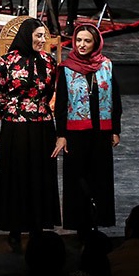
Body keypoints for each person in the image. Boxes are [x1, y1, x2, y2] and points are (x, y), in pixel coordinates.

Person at [0, 18, 59, 246]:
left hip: (42, 125)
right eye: (38, 35)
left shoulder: (49, 61)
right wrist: (13, 112)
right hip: (15, 126)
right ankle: (15, 226)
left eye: (44, 36)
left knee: (39, 175)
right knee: (17, 175)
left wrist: (37, 109)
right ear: (26, 36)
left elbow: (49, 91)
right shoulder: (7, 61)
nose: (42, 40)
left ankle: (38, 224)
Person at [52, 23, 122, 232]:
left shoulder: (106, 66)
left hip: (101, 131)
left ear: (96, 43)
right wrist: (61, 134)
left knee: (100, 177)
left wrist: (115, 129)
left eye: (87, 41)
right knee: (77, 179)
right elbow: (61, 104)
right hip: (75, 132)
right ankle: (79, 224)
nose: (82, 45)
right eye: (79, 40)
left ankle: (97, 221)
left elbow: (115, 99)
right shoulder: (67, 68)